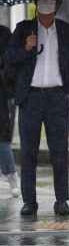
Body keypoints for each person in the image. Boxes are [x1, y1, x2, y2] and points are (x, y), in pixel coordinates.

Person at [5, 0, 69, 216]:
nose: (45, 3)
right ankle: (29, 200)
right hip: (31, 97)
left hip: (58, 97)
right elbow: (9, 57)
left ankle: (61, 200)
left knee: (59, 150)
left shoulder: (66, 31)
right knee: (28, 151)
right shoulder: (23, 29)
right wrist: (25, 48)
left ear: (57, 4)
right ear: (36, 3)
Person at [0, 24, 20, 197]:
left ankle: (11, 174)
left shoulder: (4, 34)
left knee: (2, 137)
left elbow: (11, 60)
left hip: (1, 94)